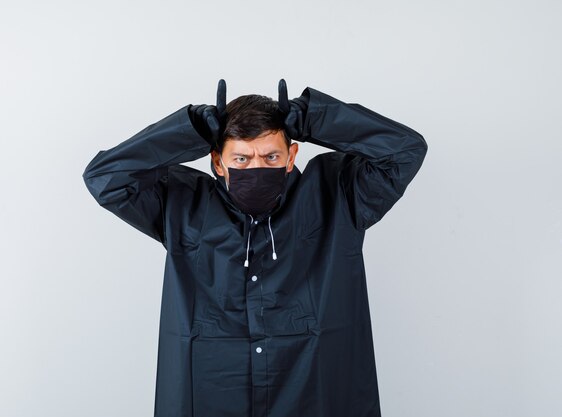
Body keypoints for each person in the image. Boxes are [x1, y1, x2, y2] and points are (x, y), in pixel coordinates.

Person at [82, 79, 428, 417]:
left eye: (271, 156)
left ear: (292, 155)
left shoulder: (337, 194)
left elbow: (404, 150)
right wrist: (191, 129)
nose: (257, 168)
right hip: (212, 393)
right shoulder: (181, 202)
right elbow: (105, 177)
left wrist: (313, 117)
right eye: (242, 159)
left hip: (312, 393)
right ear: (217, 161)